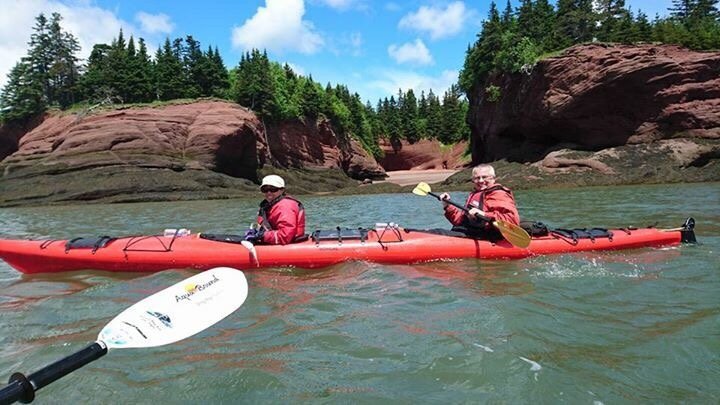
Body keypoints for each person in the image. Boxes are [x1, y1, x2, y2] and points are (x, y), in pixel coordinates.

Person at [439, 164, 520, 240]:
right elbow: (460, 221)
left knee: (438, 233)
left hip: (486, 237)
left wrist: (484, 214)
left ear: (493, 178)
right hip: (469, 233)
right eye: (477, 178)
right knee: (434, 232)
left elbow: (512, 220)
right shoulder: (475, 194)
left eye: (484, 177)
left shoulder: (499, 194)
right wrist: (447, 205)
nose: (481, 181)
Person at [243, 175, 306, 245]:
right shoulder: (269, 205)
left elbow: (285, 236)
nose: (269, 192)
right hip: (275, 243)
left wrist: (262, 235)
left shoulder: (285, 205)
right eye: (265, 189)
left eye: (273, 189)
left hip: (288, 246)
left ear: (282, 190)